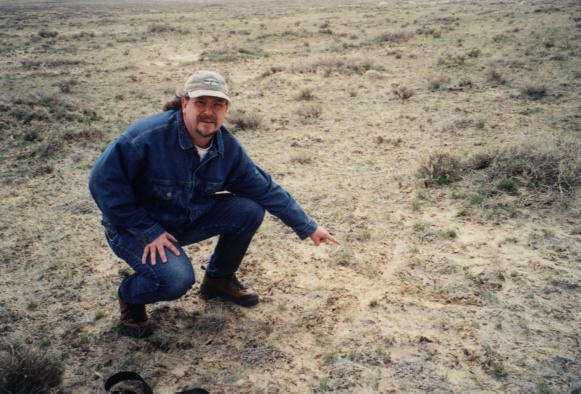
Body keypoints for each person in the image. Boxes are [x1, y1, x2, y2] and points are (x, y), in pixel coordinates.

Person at [89, 70, 339, 338]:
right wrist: (147, 229)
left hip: (183, 220)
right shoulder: (145, 138)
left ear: (226, 110)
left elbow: (265, 189)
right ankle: (131, 295)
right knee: (175, 280)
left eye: (217, 105)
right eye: (201, 103)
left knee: (249, 210)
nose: (209, 112)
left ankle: (218, 279)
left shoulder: (227, 149)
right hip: (134, 230)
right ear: (185, 104)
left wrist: (309, 227)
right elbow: (102, 183)